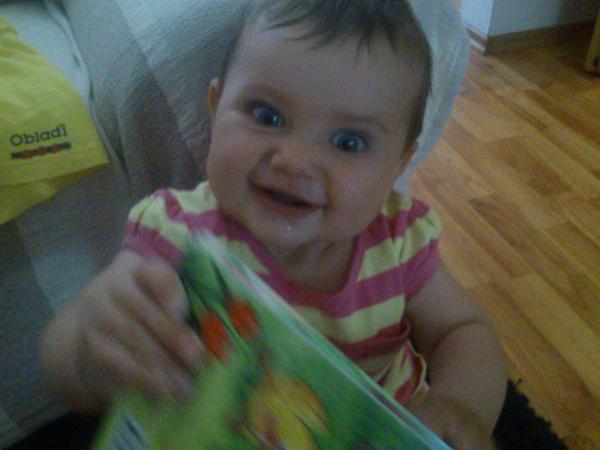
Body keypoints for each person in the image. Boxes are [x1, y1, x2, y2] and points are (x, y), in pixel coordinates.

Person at [41, 1, 507, 448]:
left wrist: (459, 406)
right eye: (268, 116)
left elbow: (462, 330)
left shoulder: (398, 239)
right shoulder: (176, 234)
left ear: (397, 165)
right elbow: (66, 371)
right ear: (216, 108)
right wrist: (87, 343)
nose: (295, 160)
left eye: (348, 142)